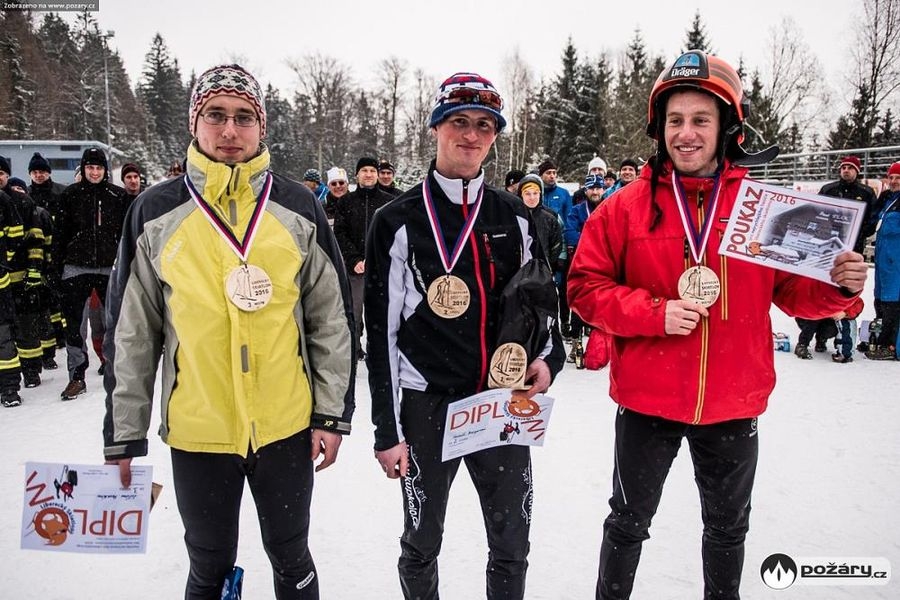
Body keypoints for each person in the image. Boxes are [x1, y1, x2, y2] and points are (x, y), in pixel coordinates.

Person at [567, 50, 868, 600]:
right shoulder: (623, 208)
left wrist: (840, 288)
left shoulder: (764, 209)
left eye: (701, 120)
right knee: (627, 524)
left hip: (733, 400)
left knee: (727, 531)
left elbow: (794, 295)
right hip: (647, 401)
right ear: (660, 130)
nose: (687, 134)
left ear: (727, 127)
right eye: (675, 121)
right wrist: (655, 313)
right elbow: (585, 290)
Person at [102, 63, 355, 600]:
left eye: (244, 117)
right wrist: (124, 434)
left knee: (292, 559)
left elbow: (330, 320)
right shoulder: (156, 211)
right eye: (215, 115)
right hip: (200, 430)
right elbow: (133, 334)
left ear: (261, 127)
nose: (230, 130)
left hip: (284, 426)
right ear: (195, 123)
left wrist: (331, 414)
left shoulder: (297, 206)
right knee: (209, 565)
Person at [365, 71, 565, 600]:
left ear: (494, 136)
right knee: (422, 540)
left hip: (500, 401)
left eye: (484, 125)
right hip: (427, 405)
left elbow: (538, 300)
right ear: (436, 128)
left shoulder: (514, 216)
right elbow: (380, 333)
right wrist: (387, 428)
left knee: (511, 542)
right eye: (459, 121)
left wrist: (550, 357)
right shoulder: (398, 219)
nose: (471, 135)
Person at [54, 148, 130, 400]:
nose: (94, 172)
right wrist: (55, 267)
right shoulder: (70, 195)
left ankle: (114, 370)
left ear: (105, 171)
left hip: (110, 267)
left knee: (114, 323)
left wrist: (128, 264)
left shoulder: (117, 196)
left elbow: (127, 236)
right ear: (83, 169)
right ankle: (77, 376)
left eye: (98, 168)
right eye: (90, 168)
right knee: (75, 325)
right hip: (75, 267)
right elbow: (60, 233)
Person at [333, 157, 394, 360]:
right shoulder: (345, 202)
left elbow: (392, 235)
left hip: (381, 269)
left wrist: (377, 258)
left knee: (381, 312)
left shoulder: (388, 202)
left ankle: (380, 349)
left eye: (372, 171)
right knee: (354, 312)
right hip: (355, 270)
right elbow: (340, 234)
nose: (368, 174)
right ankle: (354, 347)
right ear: (357, 174)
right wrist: (355, 260)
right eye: (364, 170)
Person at [565, 174, 607, 363]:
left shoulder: (610, 206)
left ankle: (601, 345)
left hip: (605, 264)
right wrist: (591, 239)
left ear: (603, 189)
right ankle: (576, 343)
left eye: (598, 188)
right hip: (582, 262)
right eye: (592, 188)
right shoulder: (577, 210)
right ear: (586, 190)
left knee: (603, 301)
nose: (595, 192)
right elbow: (570, 232)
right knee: (579, 301)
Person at [866, 161, 900, 360]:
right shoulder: (887, 199)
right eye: (892, 177)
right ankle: (877, 339)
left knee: (892, 303)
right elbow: (872, 221)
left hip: (896, 263)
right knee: (879, 300)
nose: (894, 181)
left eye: (898, 178)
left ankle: (890, 346)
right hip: (882, 260)